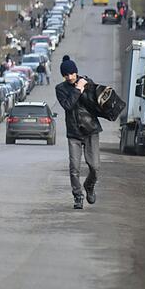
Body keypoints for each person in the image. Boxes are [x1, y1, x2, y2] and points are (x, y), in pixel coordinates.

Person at [55, 55, 102, 209]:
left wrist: (86, 86)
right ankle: (78, 196)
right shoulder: (60, 89)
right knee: (74, 167)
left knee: (94, 167)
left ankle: (89, 186)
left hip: (91, 130)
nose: (69, 77)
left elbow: (97, 103)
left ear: (76, 72)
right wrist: (77, 89)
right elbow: (68, 105)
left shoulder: (88, 82)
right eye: (66, 75)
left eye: (71, 74)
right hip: (74, 133)